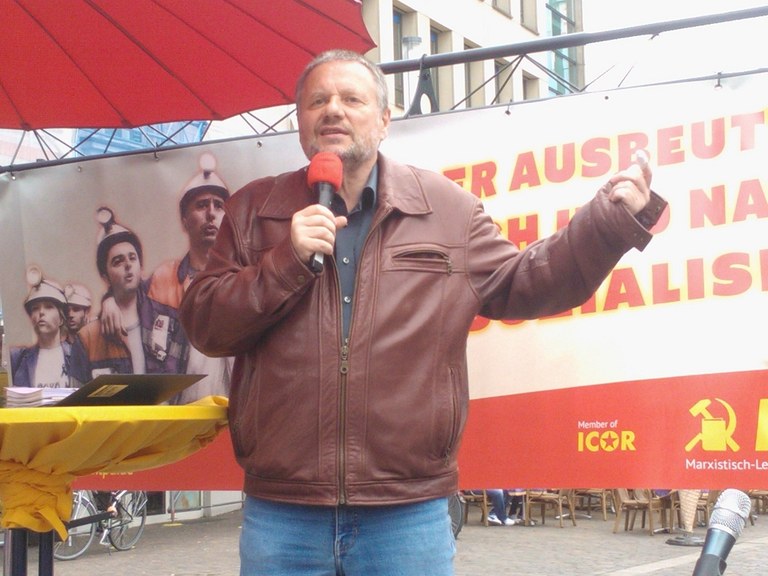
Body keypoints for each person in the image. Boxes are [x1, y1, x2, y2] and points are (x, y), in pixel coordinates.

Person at [180, 49, 667, 575]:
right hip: (283, 511)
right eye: (318, 101)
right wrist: (285, 262)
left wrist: (607, 223)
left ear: (384, 120)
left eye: (351, 99)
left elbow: (528, 282)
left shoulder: (447, 209)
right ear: (301, 122)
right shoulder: (253, 210)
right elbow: (205, 325)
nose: (333, 110)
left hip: (408, 512)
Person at [146, 153, 234, 403]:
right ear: (185, 220)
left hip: (235, 412)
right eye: (202, 205)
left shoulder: (244, 278)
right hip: (181, 412)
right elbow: (129, 303)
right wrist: (110, 300)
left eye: (219, 205)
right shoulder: (163, 279)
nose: (211, 213)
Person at [70, 207, 187, 381]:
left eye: (133, 258)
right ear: (105, 276)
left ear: (141, 267)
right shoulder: (88, 338)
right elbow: (77, 395)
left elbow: (181, 380)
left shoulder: (166, 322)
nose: (128, 265)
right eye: (118, 261)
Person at [10, 267, 75, 388]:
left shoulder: (76, 355)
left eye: (48, 307)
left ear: (61, 319)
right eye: (35, 308)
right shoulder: (17, 358)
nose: (41, 312)